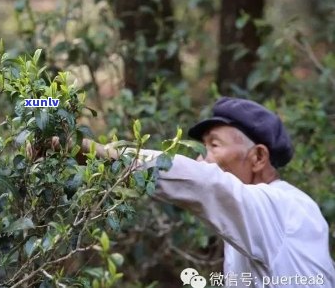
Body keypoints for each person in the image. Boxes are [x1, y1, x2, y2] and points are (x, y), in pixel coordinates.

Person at [58, 97, 335, 287]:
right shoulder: (257, 215)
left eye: (214, 146)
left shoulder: (283, 206)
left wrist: (102, 153)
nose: (205, 160)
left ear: (258, 157)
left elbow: (206, 183)